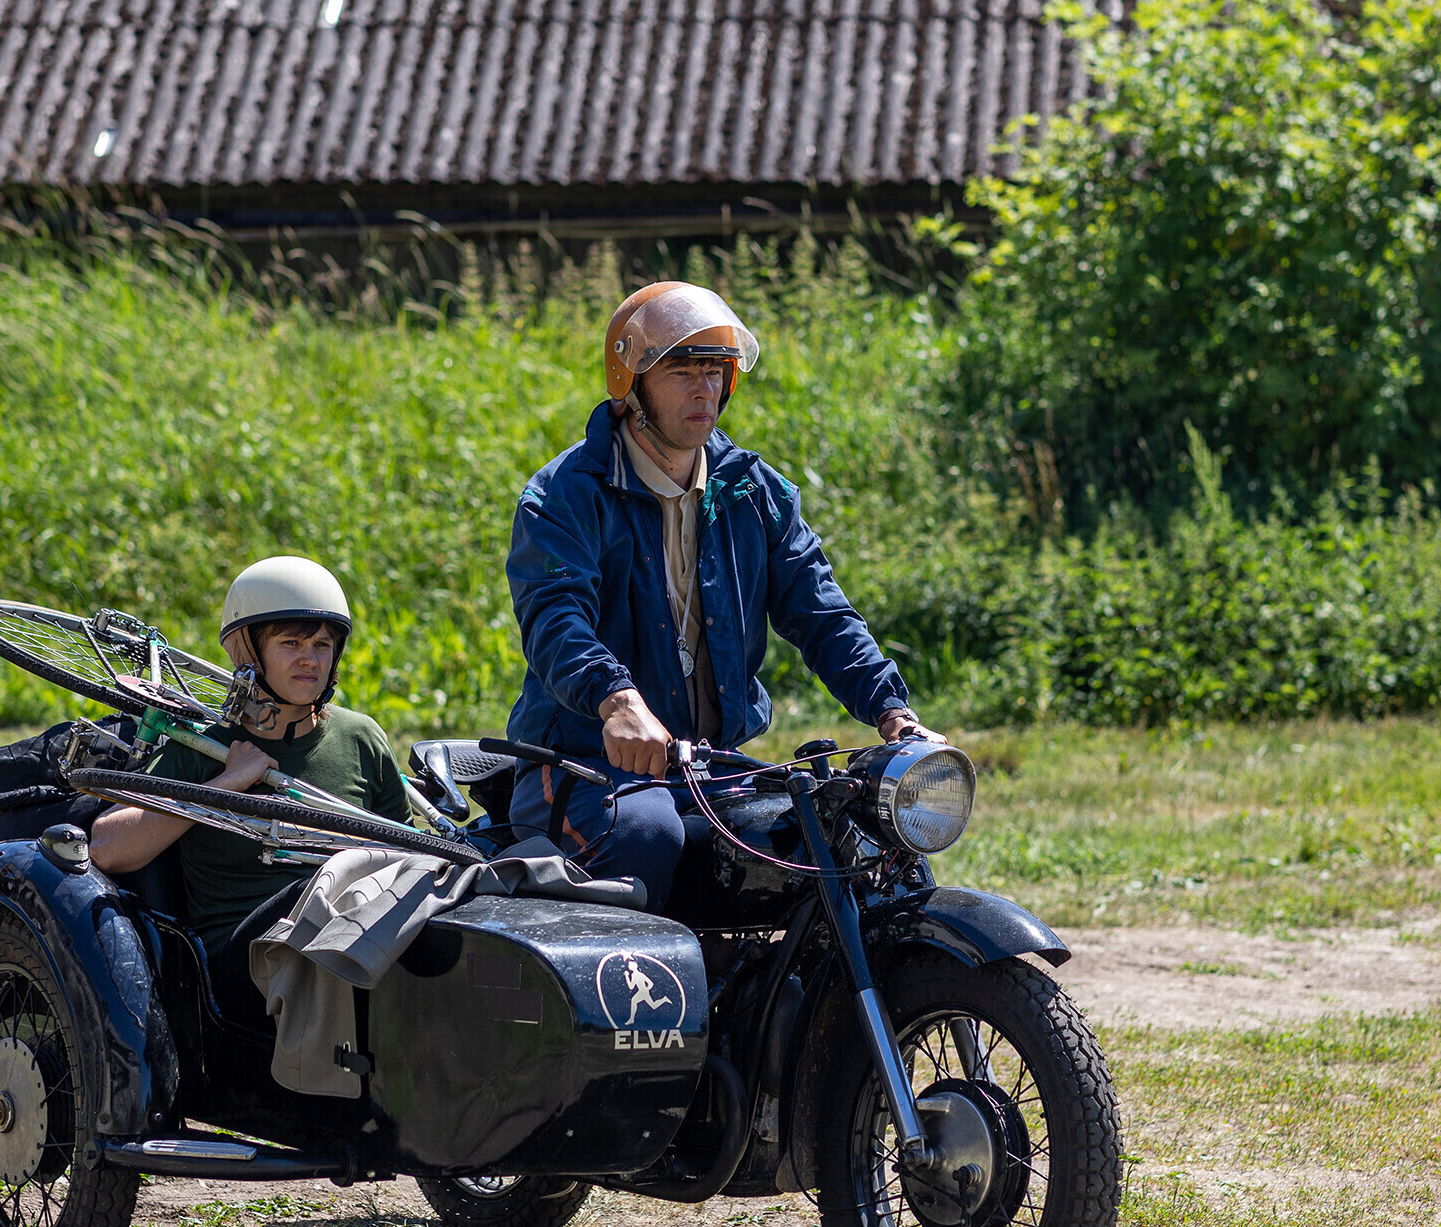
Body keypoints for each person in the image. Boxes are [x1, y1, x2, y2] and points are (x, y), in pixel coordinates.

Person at [504, 281, 944, 911]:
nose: (704, 389)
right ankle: (644, 981)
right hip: (581, 764)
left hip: (709, 763)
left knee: (848, 835)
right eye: (681, 370)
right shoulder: (564, 495)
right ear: (630, 381)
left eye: (716, 371)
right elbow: (556, 617)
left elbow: (822, 613)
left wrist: (892, 710)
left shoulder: (753, 491)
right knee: (647, 834)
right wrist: (616, 700)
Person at [90, 556, 410, 987]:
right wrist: (226, 784)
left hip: (355, 934)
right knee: (315, 901)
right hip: (244, 957)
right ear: (249, 652)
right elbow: (107, 848)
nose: (310, 660)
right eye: (291, 643)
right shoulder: (203, 746)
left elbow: (408, 854)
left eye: (322, 645)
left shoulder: (361, 737)